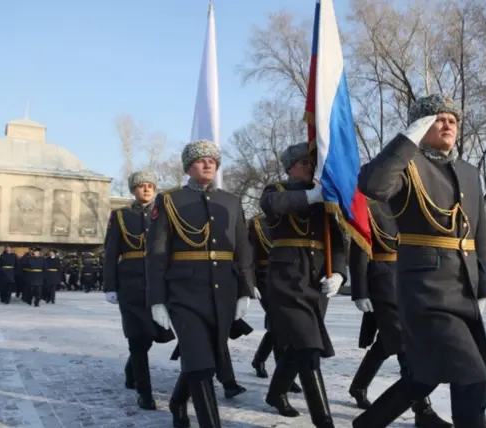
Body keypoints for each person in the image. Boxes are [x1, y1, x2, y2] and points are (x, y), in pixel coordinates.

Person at [353, 94, 486, 428]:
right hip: (425, 291)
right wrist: (407, 140)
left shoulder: (468, 172)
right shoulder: (408, 165)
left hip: (463, 291)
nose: (447, 124)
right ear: (421, 126)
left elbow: (479, 232)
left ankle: (366, 424)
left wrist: (484, 285)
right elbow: (372, 185)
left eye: (453, 120)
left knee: (426, 375)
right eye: (438, 118)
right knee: (472, 378)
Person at [146, 139, 255, 428]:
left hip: (223, 292)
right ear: (188, 166)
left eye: (213, 160)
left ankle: (177, 401)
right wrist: (156, 298)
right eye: (201, 159)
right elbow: (156, 253)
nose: (208, 163)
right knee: (202, 365)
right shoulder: (168, 201)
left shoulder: (230, 201)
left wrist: (245, 289)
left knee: (204, 358)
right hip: (183, 292)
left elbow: (242, 249)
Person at [259, 142, 346, 428]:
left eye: (313, 162)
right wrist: (312, 195)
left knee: (299, 347)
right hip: (287, 279)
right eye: (305, 163)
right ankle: (324, 421)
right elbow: (272, 206)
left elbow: (339, 240)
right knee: (309, 348)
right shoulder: (277, 190)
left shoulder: (327, 198)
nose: (311, 167)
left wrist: (340, 274)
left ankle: (275, 393)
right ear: (290, 167)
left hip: (318, 277)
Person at [349, 200, 452, 427]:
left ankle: (358, 386)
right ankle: (422, 410)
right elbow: (359, 247)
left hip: (409, 281)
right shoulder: (371, 208)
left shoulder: (411, 205)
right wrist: (360, 290)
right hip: (382, 283)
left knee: (385, 344)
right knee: (407, 346)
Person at [104, 171, 176, 410]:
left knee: (149, 337)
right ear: (133, 190)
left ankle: (130, 370)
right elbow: (111, 253)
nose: (146, 189)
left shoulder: (165, 212)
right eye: (141, 186)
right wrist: (110, 286)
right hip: (131, 286)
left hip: (159, 284)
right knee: (136, 338)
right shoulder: (121, 216)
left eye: (150, 185)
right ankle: (145, 393)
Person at [248, 214, 302, 392]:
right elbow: (249, 254)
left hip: (289, 277)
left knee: (281, 324)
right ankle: (283, 375)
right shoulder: (257, 224)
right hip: (264, 277)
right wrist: (251, 282)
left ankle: (259, 359)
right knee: (279, 324)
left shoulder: (291, 220)